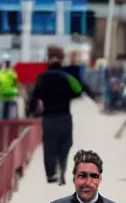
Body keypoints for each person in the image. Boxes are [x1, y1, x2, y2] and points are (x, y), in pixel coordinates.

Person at [27, 46, 95, 186]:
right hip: (64, 116)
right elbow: (79, 90)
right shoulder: (67, 77)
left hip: (48, 118)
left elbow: (34, 97)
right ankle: (62, 168)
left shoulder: (41, 78)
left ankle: (51, 173)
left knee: (49, 146)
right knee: (65, 144)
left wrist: (31, 112)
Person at [0, 53, 19, 120]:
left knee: (2, 116)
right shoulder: (13, 73)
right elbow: (15, 83)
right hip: (12, 96)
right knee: (12, 117)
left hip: (2, 97)